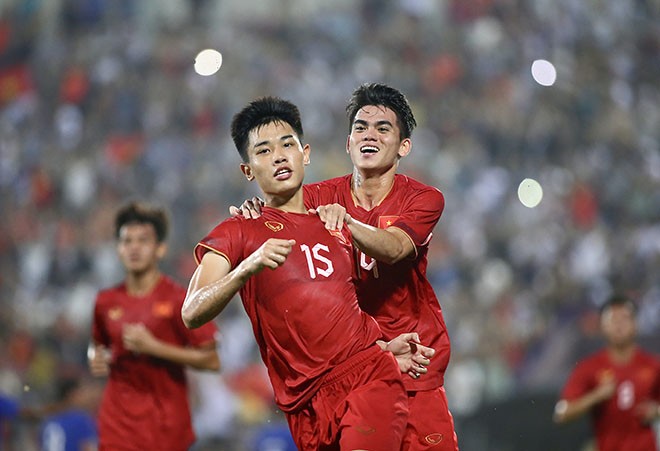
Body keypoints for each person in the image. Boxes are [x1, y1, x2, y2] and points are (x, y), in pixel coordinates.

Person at [182, 96, 436, 450]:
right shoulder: (238, 231)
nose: (280, 156)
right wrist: (247, 267)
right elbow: (192, 312)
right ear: (247, 170)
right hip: (305, 405)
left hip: (369, 378)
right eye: (264, 151)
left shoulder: (336, 222)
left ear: (306, 153)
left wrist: (380, 351)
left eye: (287, 144)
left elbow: (344, 311)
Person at [89, 201, 220, 451]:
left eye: (143, 241)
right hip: (117, 425)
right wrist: (95, 356)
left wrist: (154, 347)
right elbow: (98, 345)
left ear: (160, 249)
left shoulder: (179, 299)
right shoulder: (105, 302)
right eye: (127, 241)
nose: (134, 248)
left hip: (165, 426)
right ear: (118, 249)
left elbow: (212, 360)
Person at [553, 294, 660, 451]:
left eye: (624, 319)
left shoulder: (652, 365)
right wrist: (596, 396)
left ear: (635, 324)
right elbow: (561, 413)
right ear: (602, 326)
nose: (619, 326)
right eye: (612, 320)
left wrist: (657, 411)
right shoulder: (589, 367)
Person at [39, 376, 100, 451]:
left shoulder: (48, 422)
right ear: (72, 395)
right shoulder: (81, 421)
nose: (87, 396)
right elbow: (89, 448)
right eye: (82, 392)